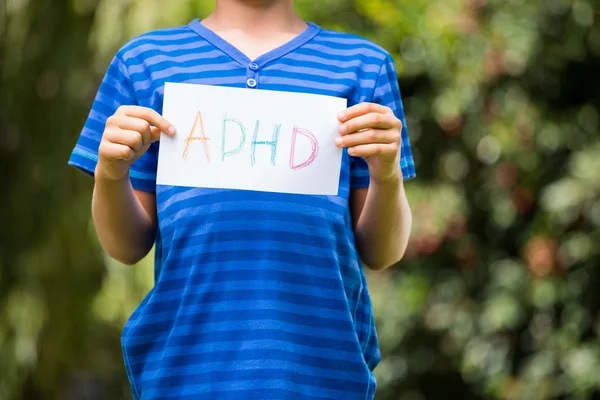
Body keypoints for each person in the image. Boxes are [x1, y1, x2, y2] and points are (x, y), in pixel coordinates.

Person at [69, 0, 416, 398]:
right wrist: (111, 174)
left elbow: (382, 251)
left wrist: (386, 175)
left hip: (323, 376)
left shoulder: (364, 66)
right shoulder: (144, 63)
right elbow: (126, 246)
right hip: (185, 376)